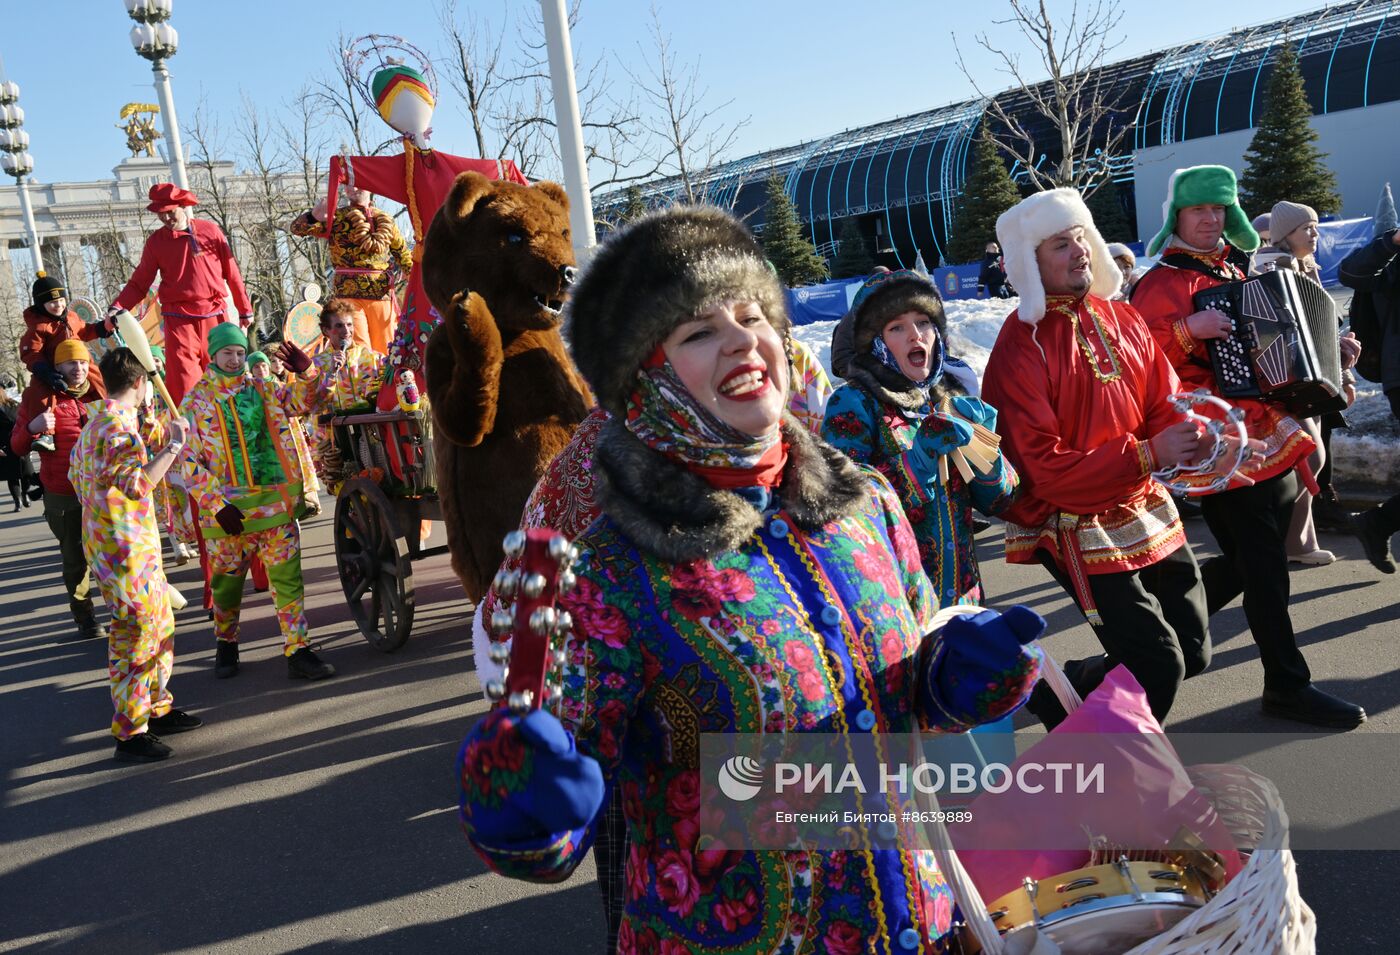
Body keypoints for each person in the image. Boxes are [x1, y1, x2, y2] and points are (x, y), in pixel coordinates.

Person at [457, 206, 1046, 952]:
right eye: (699, 330)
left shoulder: (864, 500)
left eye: (751, 314)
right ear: (645, 378)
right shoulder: (609, 572)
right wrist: (521, 805)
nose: (741, 338)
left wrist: (956, 675)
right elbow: (558, 824)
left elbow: (913, 696)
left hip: (918, 926)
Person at [982, 189, 1228, 726]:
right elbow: (1043, 466)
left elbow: (1160, 402)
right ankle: (1115, 778)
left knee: (1192, 649)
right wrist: (1145, 453)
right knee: (1159, 662)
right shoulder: (1020, 344)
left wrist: (1188, 435)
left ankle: (1068, 688)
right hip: (1070, 520)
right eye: (1057, 246)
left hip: (1141, 501)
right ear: (1028, 263)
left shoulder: (1122, 317)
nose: (1078, 252)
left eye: (1079, 239)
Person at [1131, 164, 1365, 729]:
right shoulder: (1160, 281)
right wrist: (1190, 330)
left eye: (1218, 209)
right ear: (1177, 217)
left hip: (1267, 429)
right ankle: (1287, 684)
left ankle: (1141, 653)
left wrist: (1329, 356)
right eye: (1198, 210)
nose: (1210, 219)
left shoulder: (1240, 266)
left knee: (1243, 560)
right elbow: (1140, 362)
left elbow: (1280, 340)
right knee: (1263, 566)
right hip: (1220, 440)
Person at [822, 269, 1017, 606]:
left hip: (964, 599)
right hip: (898, 608)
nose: (916, 335)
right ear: (876, 342)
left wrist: (987, 454)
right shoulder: (853, 403)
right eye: (897, 327)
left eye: (923, 322)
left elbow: (1000, 502)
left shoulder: (947, 397)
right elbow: (842, 511)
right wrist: (917, 463)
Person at [181, 323, 339, 681]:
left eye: (240, 353)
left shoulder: (266, 388)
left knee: (288, 583)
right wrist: (216, 504)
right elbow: (187, 461)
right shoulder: (195, 402)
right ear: (213, 355)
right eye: (228, 353)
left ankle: (297, 650)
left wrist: (307, 371)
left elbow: (306, 402)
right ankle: (226, 643)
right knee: (227, 586)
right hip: (227, 517)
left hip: (275, 509)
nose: (236, 360)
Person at [70, 347, 202, 762]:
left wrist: (156, 427)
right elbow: (136, 484)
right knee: (136, 639)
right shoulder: (114, 428)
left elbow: (82, 476)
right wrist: (174, 449)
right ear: (141, 384)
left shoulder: (99, 422)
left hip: (127, 548)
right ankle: (129, 732)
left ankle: (156, 707)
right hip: (123, 553)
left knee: (160, 627)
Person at [1257, 200, 1362, 557]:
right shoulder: (1271, 268)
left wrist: (1344, 368)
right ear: (1287, 234)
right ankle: (1278, 537)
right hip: (1286, 380)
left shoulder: (1308, 268)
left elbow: (1324, 330)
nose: (1315, 234)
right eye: (1307, 228)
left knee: (1310, 461)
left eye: (1315, 227)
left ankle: (1301, 543)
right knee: (1309, 459)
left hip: (1313, 377)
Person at [109, 183, 254, 406]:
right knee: (186, 384)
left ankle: (239, 424)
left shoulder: (210, 231)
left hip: (214, 315)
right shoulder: (156, 242)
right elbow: (139, 283)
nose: (166, 217)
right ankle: (191, 432)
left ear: (182, 206)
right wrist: (118, 307)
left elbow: (232, 272)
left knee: (226, 375)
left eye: (170, 211)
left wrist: (245, 310)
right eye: (161, 213)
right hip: (179, 320)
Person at [11, 340, 109, 640]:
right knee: (75, 559)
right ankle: (85, 616)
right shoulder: (39, 398)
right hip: (63, 494)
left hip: (102, 491)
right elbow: (16, 446)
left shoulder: (97, 393)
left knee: (112, 553)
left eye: (81, 362)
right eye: (70, 363)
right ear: (57, 367)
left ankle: (123, 609)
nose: (77, 368)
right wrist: (32, 428)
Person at [1339, 217, 1400, 574]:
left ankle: (1378, 523)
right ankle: (1378, 524)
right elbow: (1352, 274)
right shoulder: (1389, 254)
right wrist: (1392, 242)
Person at [289, 189, 412, 355]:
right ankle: (363, 381)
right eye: (348, 184)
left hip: (381, 297)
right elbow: (297, 229)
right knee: (360, 351)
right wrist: (312, 215)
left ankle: (389, 382)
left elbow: (404, 257)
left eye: (358, 184)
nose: (353, 188)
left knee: (387, 349)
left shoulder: (386, 219)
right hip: (349, 298)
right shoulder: (336, 217)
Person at [20, 273, 113, 451]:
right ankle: (46, 434)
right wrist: (44, 371)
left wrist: (104, 327)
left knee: (100, 382)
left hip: (80, 360)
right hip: (51, 369)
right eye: (52, 302)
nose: (58, 305)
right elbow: (31, 351)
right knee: (40, 394)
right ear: (41, 304)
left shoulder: (71, 317)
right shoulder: (38, 327)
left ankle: (110, 416)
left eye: (61, 300)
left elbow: (86, 330)